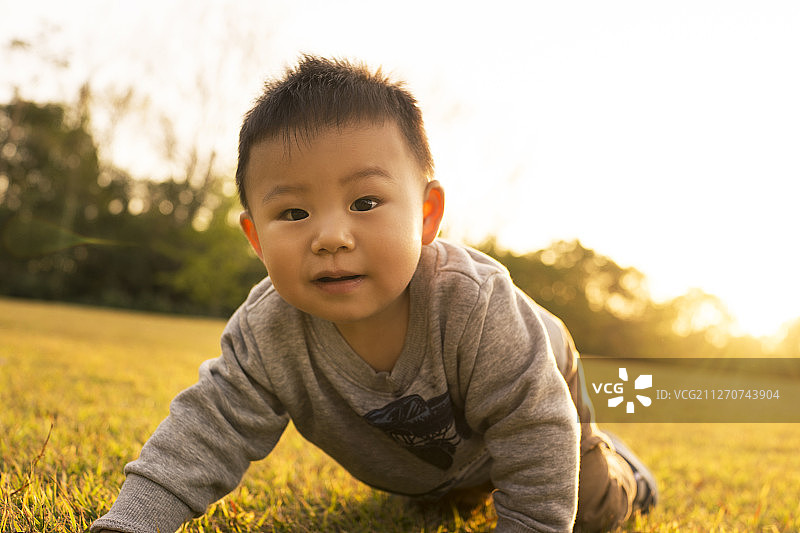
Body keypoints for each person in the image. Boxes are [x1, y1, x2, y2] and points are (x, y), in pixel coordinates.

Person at [92, 55, 656, 533]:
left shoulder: (476, 307)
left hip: (544, 394)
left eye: (365, 203)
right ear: (257, 238)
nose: (331, 237)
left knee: (590, 507)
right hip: (445, 461)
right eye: (294, 213)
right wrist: (129, 524)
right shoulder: (267, 333)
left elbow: (533, 435)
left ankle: (623, 468)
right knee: (443, 503)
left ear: (427, 215)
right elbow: (205, 432)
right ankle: (464, 484)